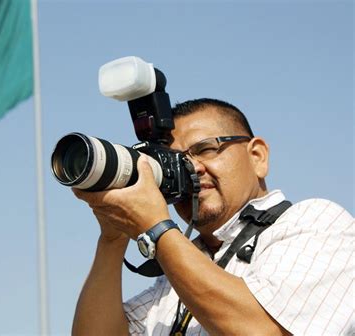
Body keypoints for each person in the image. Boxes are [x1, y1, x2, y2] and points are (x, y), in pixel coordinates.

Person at [71, 98, 354, 335]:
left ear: (257, 156)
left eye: (205, 149)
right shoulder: (177, 272)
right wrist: (113, 237)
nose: (192, 169)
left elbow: (263, 329)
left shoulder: (316, 221)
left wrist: (156, 227)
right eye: (176, 163)